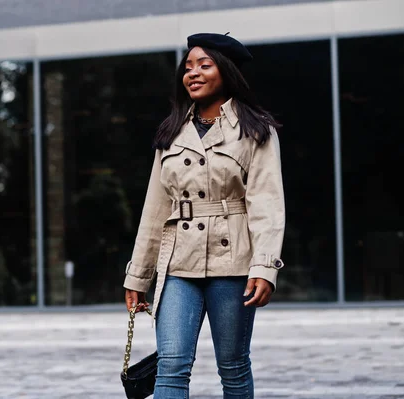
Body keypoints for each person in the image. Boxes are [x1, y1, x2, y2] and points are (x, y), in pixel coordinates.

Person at [123, 32, 286, 398]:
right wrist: (138, 275)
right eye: (188, 66)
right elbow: (155, 208)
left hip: (234, 264)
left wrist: (264, 268)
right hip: (178, 263)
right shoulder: (171, 131)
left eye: (204, 65)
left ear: (226, 72)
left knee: (233, 366)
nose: (192, 72)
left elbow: (267, 204)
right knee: (171, 365)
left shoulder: (255, 129)